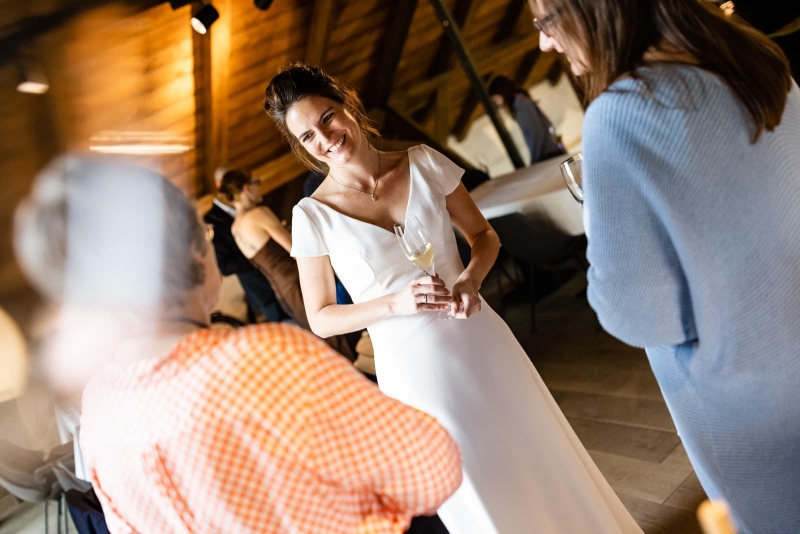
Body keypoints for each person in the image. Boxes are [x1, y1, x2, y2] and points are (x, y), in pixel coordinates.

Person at [264, 62, 642, 534]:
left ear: (347, 104)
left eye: (327, 119)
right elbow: (320, 318)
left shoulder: (423, 161)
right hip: (414, 371)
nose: (325, 139)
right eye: (308, 138)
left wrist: (469, 280)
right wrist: (394, 305)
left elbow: (484, 236)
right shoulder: (311, 216)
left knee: (534, 449)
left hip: (479, 335)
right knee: (476, 481)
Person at [13, 154, 463, 534]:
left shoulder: (99, 412)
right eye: (205, 235)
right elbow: (432, 470)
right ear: (192, 251)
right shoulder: (263, 359)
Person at [528, 0, 800, 532]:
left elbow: (635, 317)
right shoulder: (754, 57)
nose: (543, 43)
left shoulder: (620, 113)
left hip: (750, 399)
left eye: (544, 21)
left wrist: (610, 232)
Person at [219, 167, 355, 360]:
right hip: (298, 280)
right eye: (256, 183)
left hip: (281, 290)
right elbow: (296, 249)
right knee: (335, 330)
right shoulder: (259, 213)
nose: (259, 188)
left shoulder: (235, 228)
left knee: (321, 338)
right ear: (246, 189)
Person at [203, 165, 284, 323]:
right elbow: (225, 266)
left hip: (279, 276)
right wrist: (258, 253)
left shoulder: (252, 204)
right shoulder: (211, 220)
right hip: (261, 288)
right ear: (220, 184)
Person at [487, 74, 565, 164]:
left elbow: (536, 133)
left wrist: (534, 161)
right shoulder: (521, 102)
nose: (498, 103)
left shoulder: (521, 104)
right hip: (549, 152)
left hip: (549, 154)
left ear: (503, 93)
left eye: (497, 99)